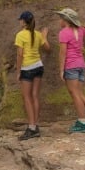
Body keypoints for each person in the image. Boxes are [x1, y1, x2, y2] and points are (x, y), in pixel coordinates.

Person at [15, 11, 50, 140]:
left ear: (24, 22)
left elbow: (20, 55)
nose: (19, 22)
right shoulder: (38, 34)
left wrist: (18, 71)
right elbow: (48, 48)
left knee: (27, 97)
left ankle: (31, 127)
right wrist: (45, 36)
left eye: (20, 20)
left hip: (27, 68)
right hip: (39, 67)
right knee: (35, 96)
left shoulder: (20, 35)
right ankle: (35, 125)